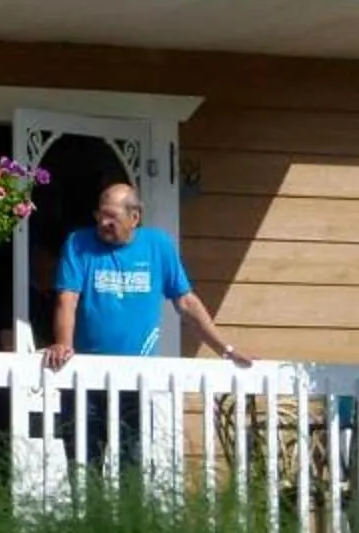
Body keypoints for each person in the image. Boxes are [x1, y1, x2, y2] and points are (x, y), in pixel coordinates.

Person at [41, 180, 252, 472]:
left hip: (135, 378)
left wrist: (224, 349)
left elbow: (186, 303)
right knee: (83, 469)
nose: (103, 222)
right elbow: (67, 299)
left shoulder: (158, 246)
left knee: (132, 469)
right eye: (100, 214)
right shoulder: (79, 243)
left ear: (134, 217)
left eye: (112, 216)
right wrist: (64, 343)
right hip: (85, 377)